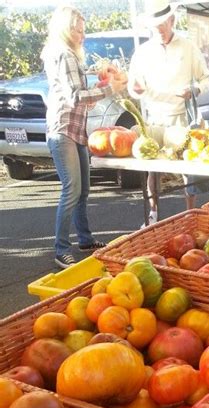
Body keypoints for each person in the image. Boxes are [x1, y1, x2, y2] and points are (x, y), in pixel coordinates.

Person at [41, 6, 127, 269]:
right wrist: (109, 90)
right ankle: (60, 249)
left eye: (83, 30)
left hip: (75, 129)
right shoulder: (64, 54)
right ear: (64, 29)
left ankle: (85, 239)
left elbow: (79, 94)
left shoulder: (68, 54)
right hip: (63, 129)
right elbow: (75, 97)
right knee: (72, 189)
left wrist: (100, 87)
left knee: (83, 190)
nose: (82, 35)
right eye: (77, 30)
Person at [128, 0, 209, 225]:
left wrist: (195, 89)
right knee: (152, 169)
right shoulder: (142, 53)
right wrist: (135, 90)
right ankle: (153, 214)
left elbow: (207, 79)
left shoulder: (188, 47)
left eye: (163, 27)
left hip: (182, 118)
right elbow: (133, 86)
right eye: (155, 29)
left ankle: (190, 214)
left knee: (188, 168)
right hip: (154, 118)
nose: (160, 32)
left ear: (172, 20)